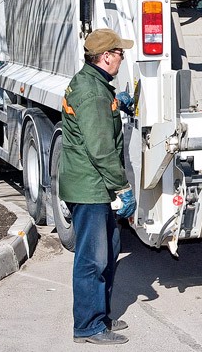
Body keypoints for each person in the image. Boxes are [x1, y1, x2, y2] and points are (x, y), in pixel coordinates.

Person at [61, 28, 135, 345]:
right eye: (120, 53)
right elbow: (101, 148)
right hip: (90, 188)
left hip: (94, 186)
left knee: (109, 252)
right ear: (106, 57)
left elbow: (97, 112)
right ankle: (88, 326)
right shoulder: (92, 92)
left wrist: (115, 103)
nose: (122, 58)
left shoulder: (94, 85)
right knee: (92, 259)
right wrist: (123, 189)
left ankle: (99, 315)